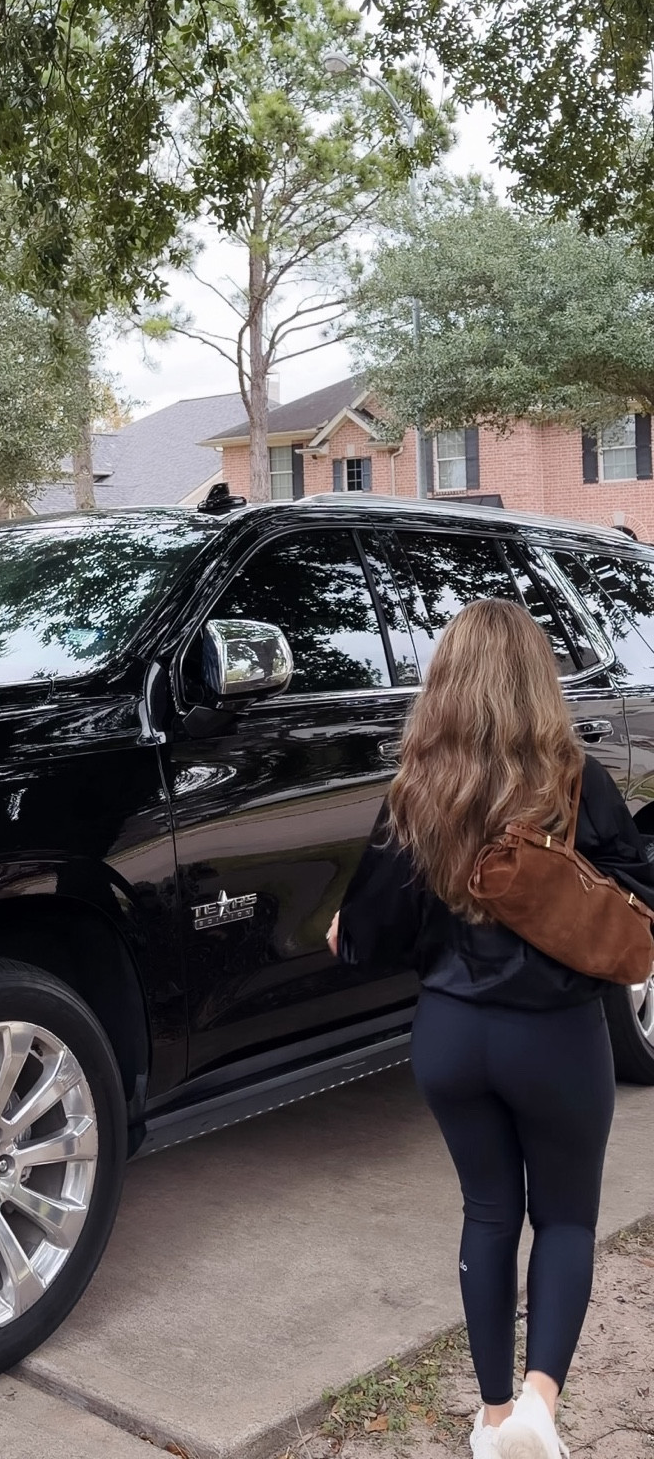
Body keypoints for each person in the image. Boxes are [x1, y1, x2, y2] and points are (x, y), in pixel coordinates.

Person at [327, 598, 654, 1459]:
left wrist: (345, 928)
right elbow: (637, 899)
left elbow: (366, 938)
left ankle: (494, 1415)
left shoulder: (417, 791)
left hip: (450, 1037)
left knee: (487, 1213)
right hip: (555, 1038)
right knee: (567, 1219)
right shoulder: (577, 783)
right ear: (538, 682)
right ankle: (541, 1403)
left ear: (446, 682)